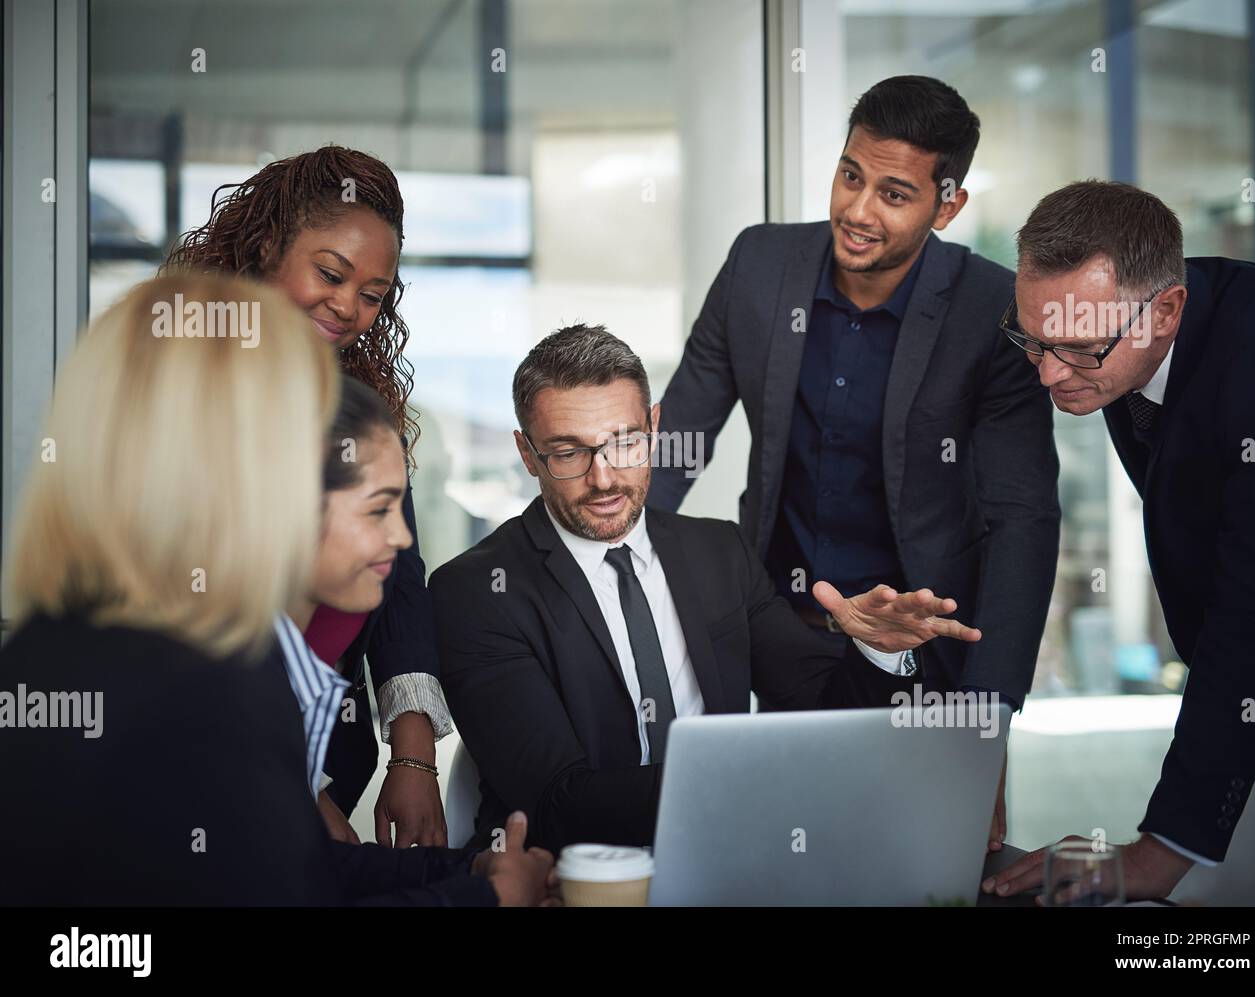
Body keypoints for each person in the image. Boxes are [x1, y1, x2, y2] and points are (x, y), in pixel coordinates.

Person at [0, 275, 552, 906]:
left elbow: (282, 874)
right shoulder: (193, 689)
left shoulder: (91, 648)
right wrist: (488, 901)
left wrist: (465, 877)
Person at [646, 76, 1061, 848]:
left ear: (947, 205)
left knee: (920, 868)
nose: (858, 211)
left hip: (925, 659)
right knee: (774, 859)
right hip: (782, 637)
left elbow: (1022, 521)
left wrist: (990, 719)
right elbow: (672, 452)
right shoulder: (759, 267)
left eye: (895, 194)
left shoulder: (990, 311)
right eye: (850, 175)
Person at [429, 324, 981, 855]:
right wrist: (753, 784)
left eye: (623, 443)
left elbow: (820, 706)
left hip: (734, 854)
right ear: (528, 454)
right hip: (571, 876)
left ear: (655, 428)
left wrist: (876, 655)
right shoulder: (475, 591)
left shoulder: (720, 553)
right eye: (568, 452)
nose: (603, 479)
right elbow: (557, 803)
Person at [982, 181, 1255, 903]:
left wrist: (1156, 856)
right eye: (1033, 338)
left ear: (1166, 311)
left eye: (1080, 350)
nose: (1048, 372)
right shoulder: (1114, 340)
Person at [163, 146, 450, 847]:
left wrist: (413, 755)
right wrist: (297, 792)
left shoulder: (359, 405)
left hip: (330, 757)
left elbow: (397, 577)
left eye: (374, 294)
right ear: (266, 247)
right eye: (330, 273)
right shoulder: (179, 391)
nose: (349, 306)